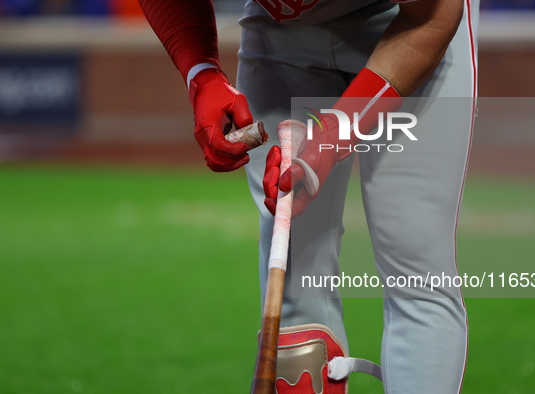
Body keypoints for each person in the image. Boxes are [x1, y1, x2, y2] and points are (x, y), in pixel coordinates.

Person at [139, 0, 479, 392]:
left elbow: (432, 17)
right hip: (281, 38)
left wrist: (335, 135)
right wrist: (201, 74)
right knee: (295, 298)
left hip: (408, 29)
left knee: (415, 266)